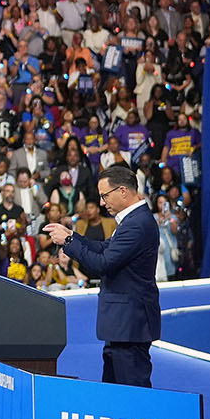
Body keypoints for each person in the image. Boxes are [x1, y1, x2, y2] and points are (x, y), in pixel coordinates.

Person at [46, 164, 160, 386]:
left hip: (130, 325)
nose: (101, 202)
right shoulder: (133, 220)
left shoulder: (137, 224)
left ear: (122, 191)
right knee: (115, 391)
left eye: (104, 195)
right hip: (123, 325)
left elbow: (103, 263)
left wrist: (68, 243)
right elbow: (105, 248)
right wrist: (73, 236)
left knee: (132, 393)